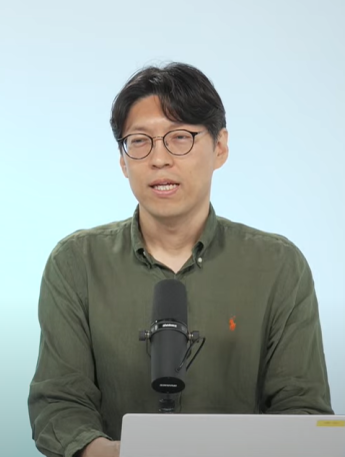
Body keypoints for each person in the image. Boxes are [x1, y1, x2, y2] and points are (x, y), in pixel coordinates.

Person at [27, 62, 333, 457]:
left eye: (180, 138)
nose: (159, 159)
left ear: (220, 147)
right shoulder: (76, 264)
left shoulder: (278, 266)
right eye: (140, 141)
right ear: (123, 161)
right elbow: (59, 405)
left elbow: (303, 411)